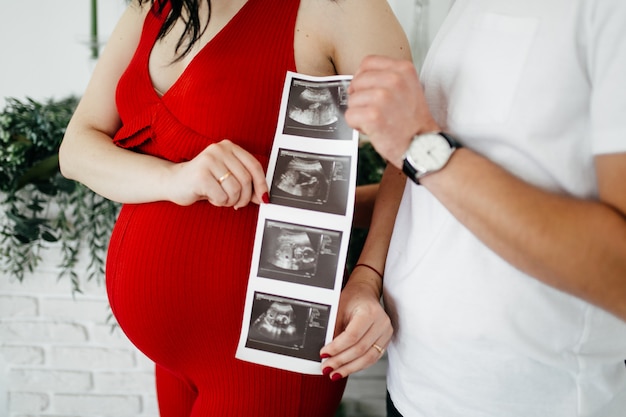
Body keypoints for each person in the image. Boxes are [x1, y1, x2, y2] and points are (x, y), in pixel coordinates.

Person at [59, 0, 410, 415]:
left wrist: (368, 279)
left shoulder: (338, 8)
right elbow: (77, 150)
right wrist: (176, 179)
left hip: (272, 347)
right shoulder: (154, 7)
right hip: (170, 358)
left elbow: (411, 156)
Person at [321, 1, 626, 416]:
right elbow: (430, 180)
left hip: (530, 402)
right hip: (412, 388)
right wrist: (359, 263)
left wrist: (419, 143)